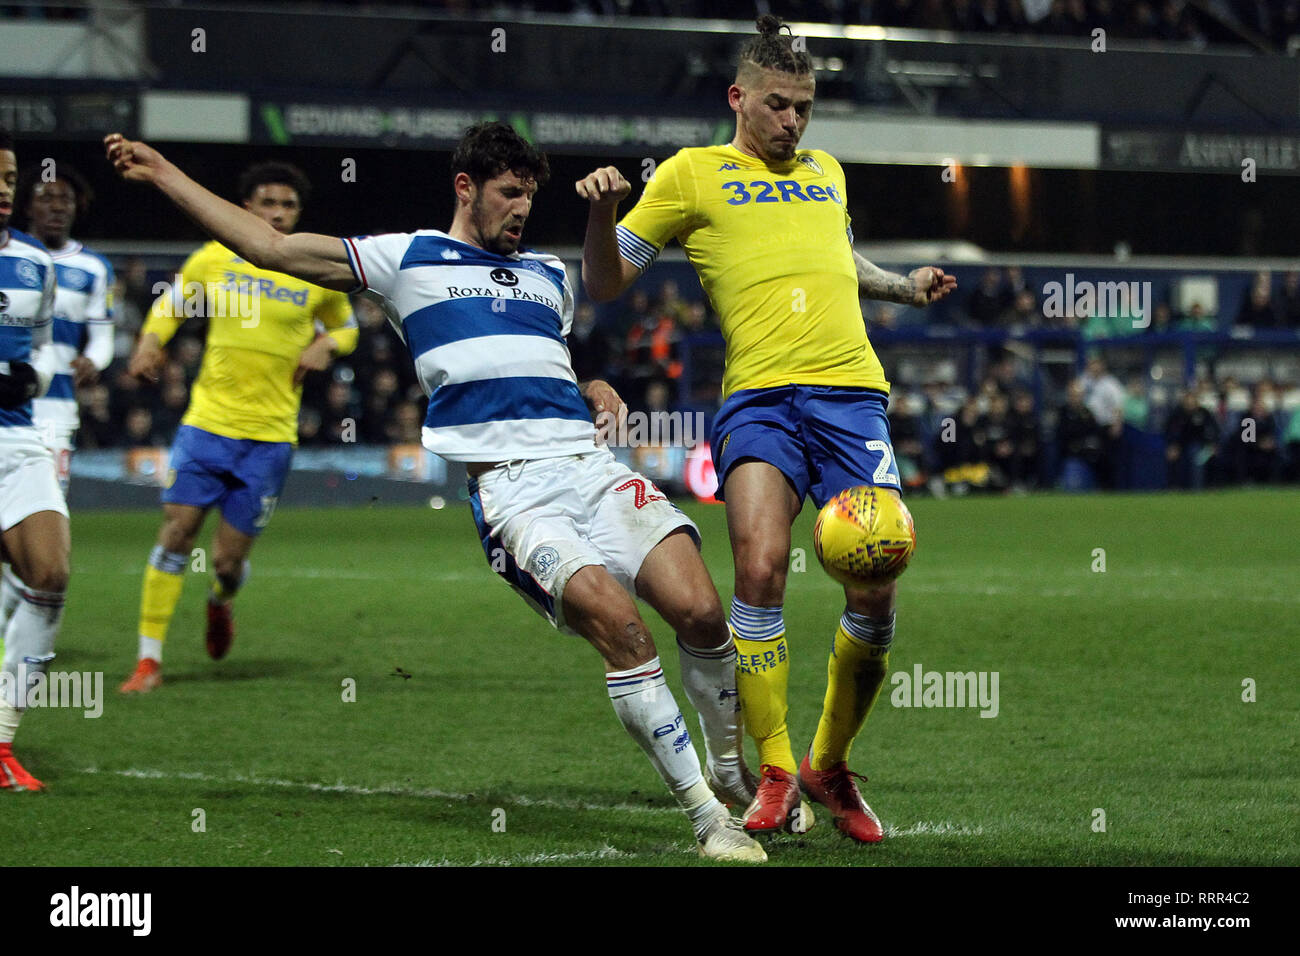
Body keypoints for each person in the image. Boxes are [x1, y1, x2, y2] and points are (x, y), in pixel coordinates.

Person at [105, 121, 768, 862]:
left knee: (704, 613)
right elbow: (275, 249)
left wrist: (593, 381)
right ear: (466, 188)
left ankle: (731, 770)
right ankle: (710, 819)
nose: (522, 208)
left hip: (594, 468)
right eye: (509, 193)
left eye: (530, 195)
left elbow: (540, 358)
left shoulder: (549, 276)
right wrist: (165, 172)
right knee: (627, 635)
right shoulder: (408, 258)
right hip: (518, 496)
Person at [577, 16, 956, 842]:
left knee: (877, 581)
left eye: (805, 109)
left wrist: (901, 286)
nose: (793, 123)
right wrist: (601, 217)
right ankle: (778, 773)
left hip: (851, 393)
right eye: (779, 105)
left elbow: (835, 258)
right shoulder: (689, 175)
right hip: (758, 399)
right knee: (758, 568)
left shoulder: (827, 172)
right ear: (738, 98)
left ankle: (830, 761)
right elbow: (605, 284)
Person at [117, 160, 358, 693]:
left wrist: (327, 344)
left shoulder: (311, 266)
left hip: (270, 438)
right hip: (207, 425)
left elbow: (350, 327)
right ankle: (148, 661)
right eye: (267, 202)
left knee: (227, 563)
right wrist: (149, 343)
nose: (277, 212)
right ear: (246, 207)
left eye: (288, 205)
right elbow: (170, 308)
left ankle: (220, 601)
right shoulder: (214, 259)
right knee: (177, 532)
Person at [0, 163, 115, 640]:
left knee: (40, 536)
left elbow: (103, 338)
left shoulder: (92, 268)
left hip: (51, 407)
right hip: (16, 410)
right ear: (30, 205)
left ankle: (16, 635)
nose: (55, 207)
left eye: (65, 200)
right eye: (46, 198)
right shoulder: (24, 259)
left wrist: (93, 360)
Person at [0, 129, 70, 790]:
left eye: (8, 177)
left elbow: (46, 346)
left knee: (49, 575)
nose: (2, 189)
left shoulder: (34, 264)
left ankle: (1, 742)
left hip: (17, 443)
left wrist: (34, 380)